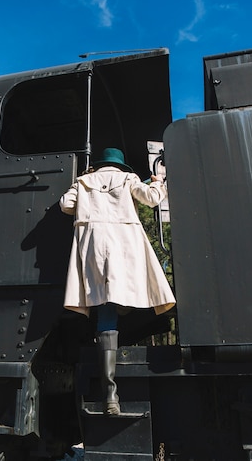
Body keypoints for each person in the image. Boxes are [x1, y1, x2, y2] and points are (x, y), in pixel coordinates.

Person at [59, 147, 176, 415]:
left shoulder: (84, 181)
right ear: (120, 165)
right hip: (124, 243)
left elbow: (66, 205)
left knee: (104, 307)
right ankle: (125, 309)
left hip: (94, 245)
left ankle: (110, 394)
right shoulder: (128, 179)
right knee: (131, 289)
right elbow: (152, 199)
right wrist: (157, 181)